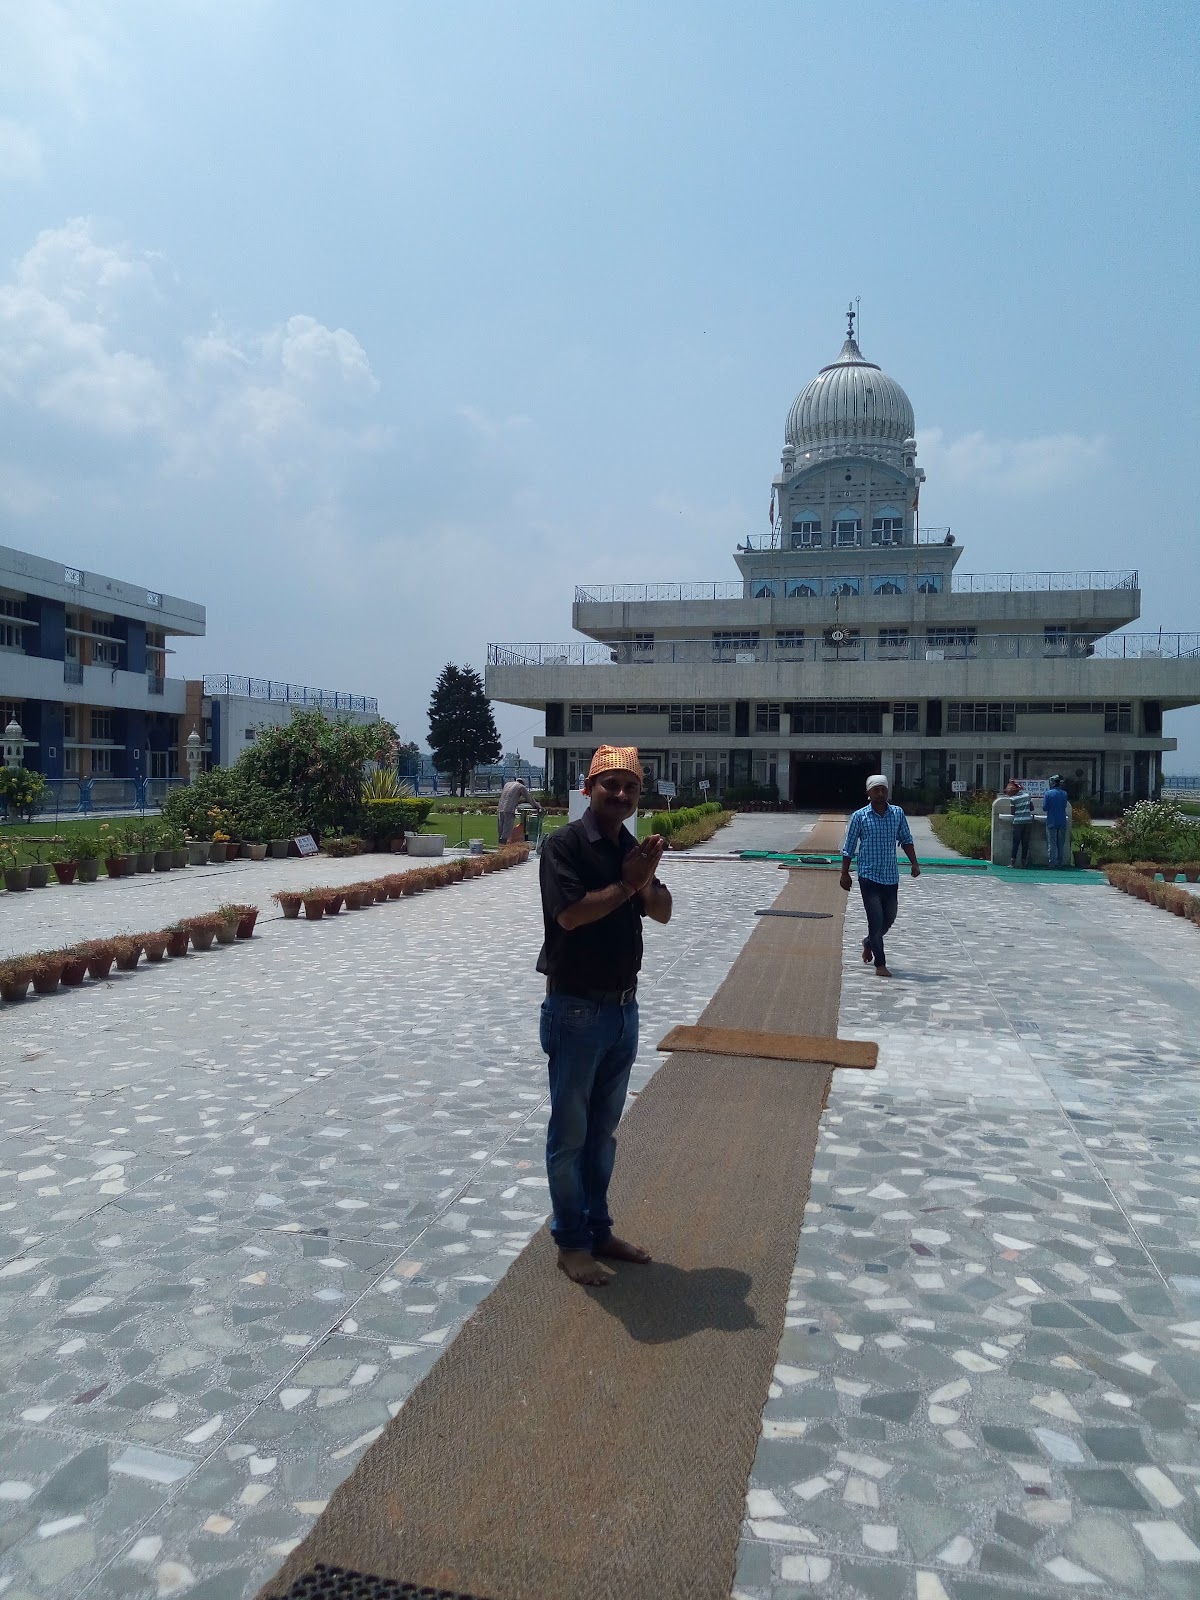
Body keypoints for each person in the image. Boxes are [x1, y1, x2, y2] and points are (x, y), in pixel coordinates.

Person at [536, 745, 672, 1286]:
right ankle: (571, 1242)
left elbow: (663, 912)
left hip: (621, 1010)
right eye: (610, 784)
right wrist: (628, 884)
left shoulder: (630, 847)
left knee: (603, 1134)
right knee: (571, 1134)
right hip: (576, 1009)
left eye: (630, 787)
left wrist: (647, 877)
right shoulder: (565, 846)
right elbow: (570, 915)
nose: (620, 794)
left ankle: (598, 1229)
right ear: (587, 787)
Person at [839, 774, 920, 977]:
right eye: (876, 789)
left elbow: (906, 839)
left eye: (883, 789)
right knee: (875, 919)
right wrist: (844, 873)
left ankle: (869, 942)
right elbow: (849, 847)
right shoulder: (860, 816)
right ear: (868, 792)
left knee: (889, 917)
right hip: (868, 875)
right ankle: (880, 963)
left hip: (890, 876)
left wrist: (914, 862)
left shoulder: (897, 813)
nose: (881, 793)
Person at [1043, 775, 1071, 869]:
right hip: (1062, 820)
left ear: (1052, 783)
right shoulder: (1064, 793)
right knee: (1061, 844)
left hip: (1052, 821)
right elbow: (1064, 805)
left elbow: (1045, 807)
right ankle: (1060, 863)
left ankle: (1052, 863)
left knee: (1052, 843)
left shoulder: (1048, 794)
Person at [1006, 778, 1034, 867]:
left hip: (1018, 822)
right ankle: (1023, 863)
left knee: (1016, 843)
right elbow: (1032, 808)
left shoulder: (1013, 799)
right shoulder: (1027, 795)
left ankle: (1012, 863)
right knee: (1025, 843)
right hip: (1028, 822)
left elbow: (1012, 812)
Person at [497, 775, 532, 845]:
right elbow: (529, 799)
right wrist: (538, 806)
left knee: (501, 829)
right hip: (509, 809)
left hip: (500, 808)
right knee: (507, 829)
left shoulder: (507, 784)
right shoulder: (521, 787)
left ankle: (500, 845)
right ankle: (503, 845)